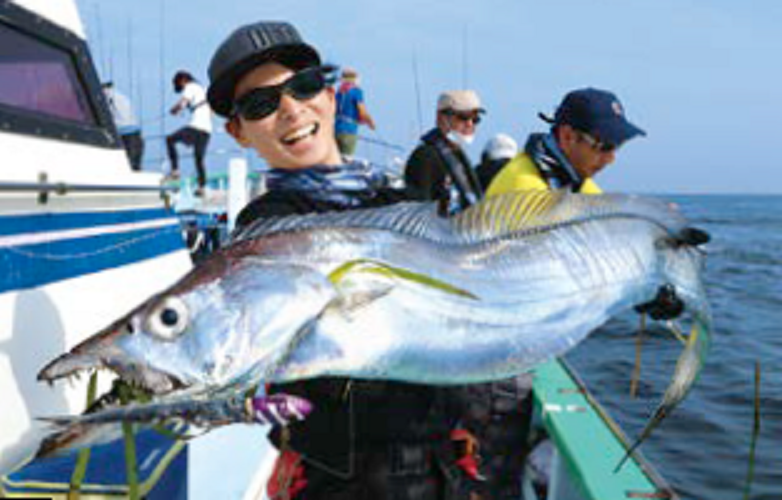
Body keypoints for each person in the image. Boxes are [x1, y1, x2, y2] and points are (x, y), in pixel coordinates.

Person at [206, 20, 481, 499]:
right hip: (342, 474)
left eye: (304, 86)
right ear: (239, 132)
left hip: (439, 460)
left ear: (330, 96)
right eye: (260, 104)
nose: (291, 110)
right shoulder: (264, 227)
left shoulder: (401, 198)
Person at [486, 87, 646, 197]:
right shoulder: (526, 191)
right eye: (604, 146)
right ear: (567, 136)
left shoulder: (572, 179)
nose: (611, 159)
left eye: (617, 146)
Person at [404, 90, 484, 216]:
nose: (470, 124)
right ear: (441, 118)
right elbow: (418, 211)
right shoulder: (426, 156)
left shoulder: (457, 155)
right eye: (462, 117)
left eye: (475, 119)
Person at [166, 70, 213, 195]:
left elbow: (183, 102)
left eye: (178, 85)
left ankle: (175, 170)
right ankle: (202, 187)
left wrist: (174, 110)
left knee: (170, 139)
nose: (180, 88)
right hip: (207, 130)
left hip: (196, 127)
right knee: (199, 158)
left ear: (182, 80)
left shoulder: (190, 86)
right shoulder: (201, 89)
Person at [334, 67, 376, 157]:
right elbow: (362, 111)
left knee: (337, 159)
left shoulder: (338, 93)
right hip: (349, 130)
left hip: (336, 130)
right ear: (354, 79)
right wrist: (371, 123)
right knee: (347, 159)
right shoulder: (356, 92)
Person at [102, 81, 144, 170]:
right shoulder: (122, 97)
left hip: (126, 138)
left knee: (126, 169)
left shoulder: (109, 97)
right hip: (136, 136)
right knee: (134, 170)